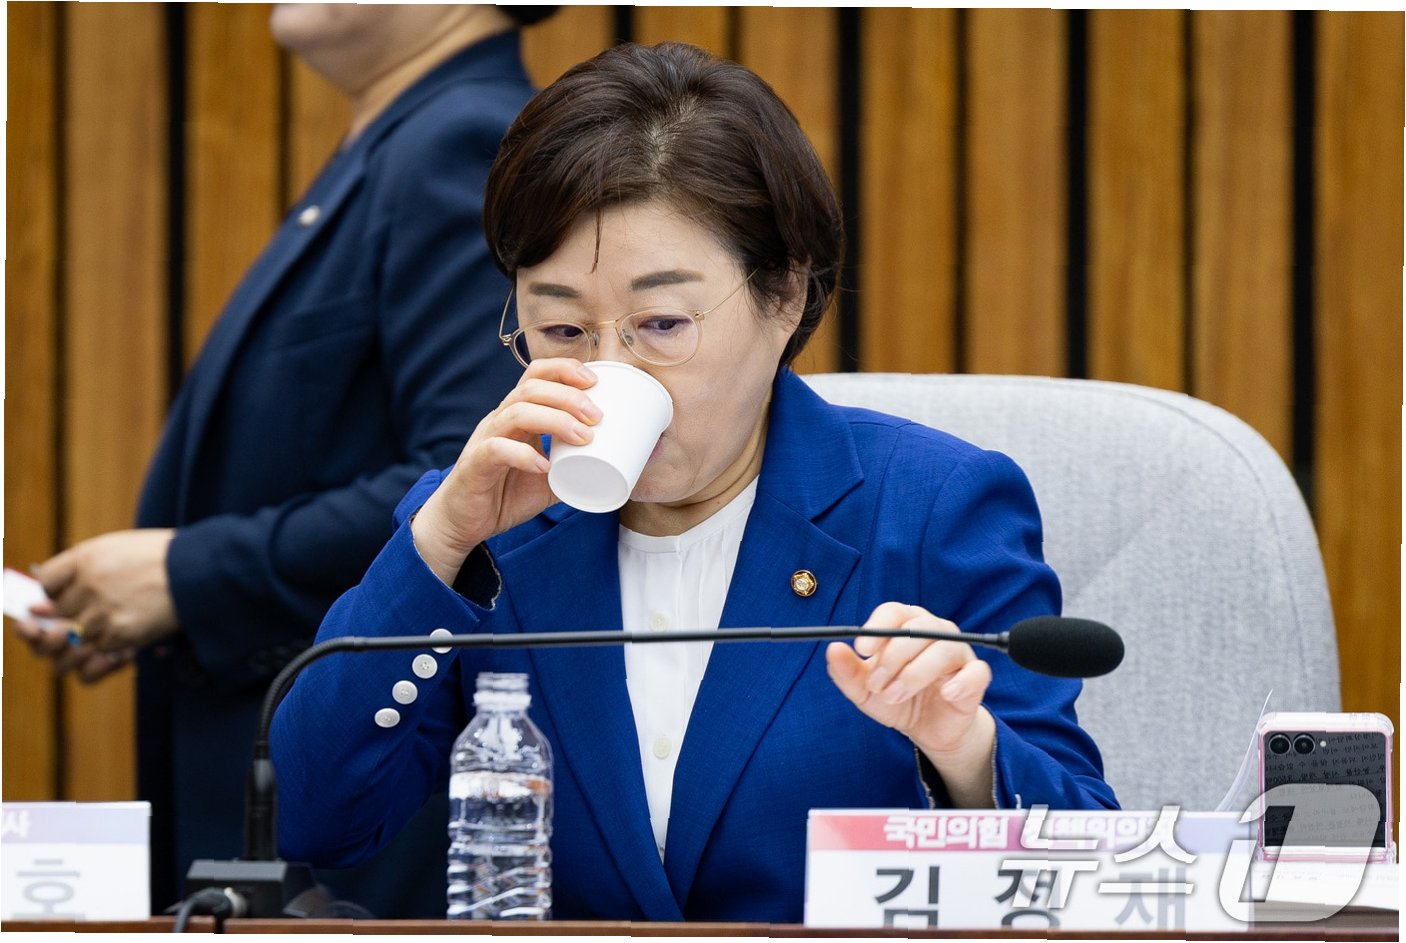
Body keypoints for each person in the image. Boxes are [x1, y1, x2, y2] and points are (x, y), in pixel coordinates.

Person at [271, 41, 1118, 923]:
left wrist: (964, 746)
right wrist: (437, 546)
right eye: (561, 330)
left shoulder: (933, 505)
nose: (609, 370)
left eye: (662, 323)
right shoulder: (489, 525)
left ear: (785, 295)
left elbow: (1088, 869)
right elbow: (315, 819)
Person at [13, 4, 551, 914]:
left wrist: (189, 576)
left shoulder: (461, 140)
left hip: (362, 838)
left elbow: (476, 476)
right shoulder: (396, 138)